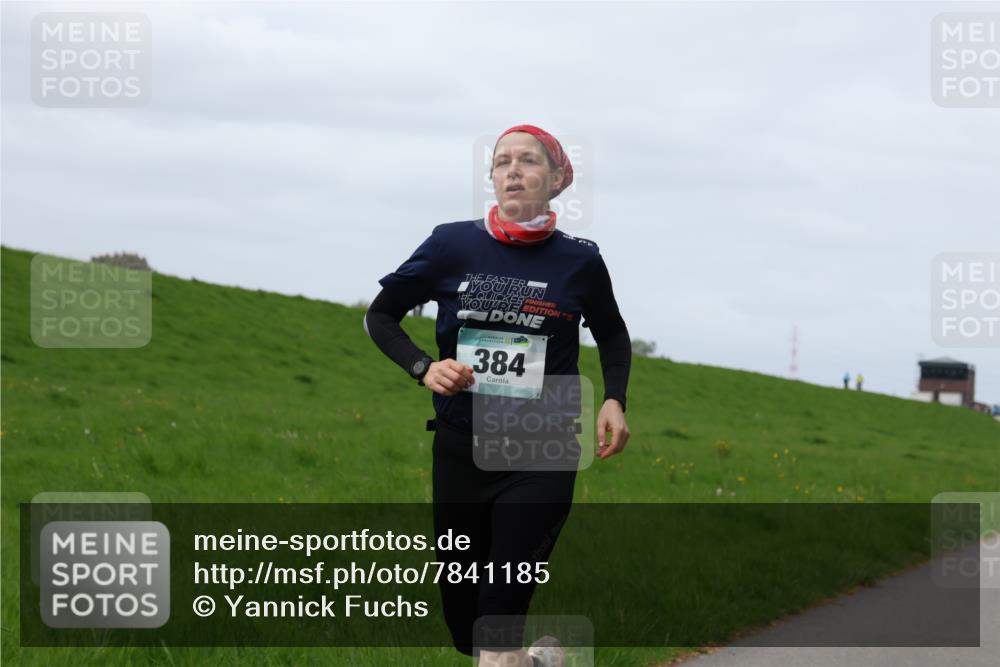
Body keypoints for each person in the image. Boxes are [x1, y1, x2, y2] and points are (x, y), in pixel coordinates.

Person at [365, 124, 632, 665]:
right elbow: (381, 315)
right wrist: (424, 368)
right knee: (467, 630)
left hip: (543, 449)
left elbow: (612, 332)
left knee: (495, 630)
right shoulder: (449, 243)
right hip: (461, 449)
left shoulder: (579, 260)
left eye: (529, 160)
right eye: (501, 161)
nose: (512, 170)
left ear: (558, 178)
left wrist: (613, 398)